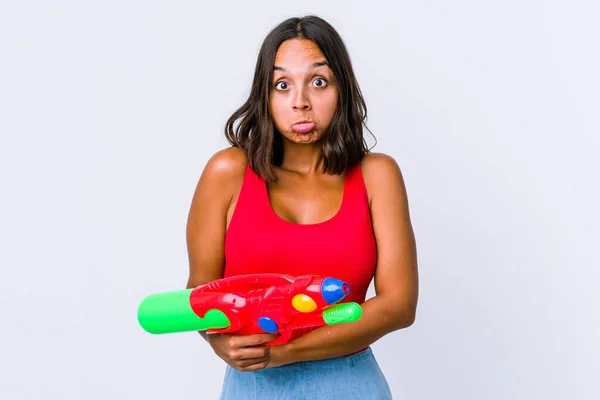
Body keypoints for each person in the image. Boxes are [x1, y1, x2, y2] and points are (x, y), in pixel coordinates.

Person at [185, 15, 418, 399]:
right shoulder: (227, 172)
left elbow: (399, 305)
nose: (301, 102)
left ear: (341, 87)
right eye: (282, 85)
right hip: (253, 386)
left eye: (318, 81)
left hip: (350, 384)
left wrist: (286, 352)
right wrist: (218, 343)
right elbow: (201, 290)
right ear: (265, 95)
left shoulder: (378, 176)